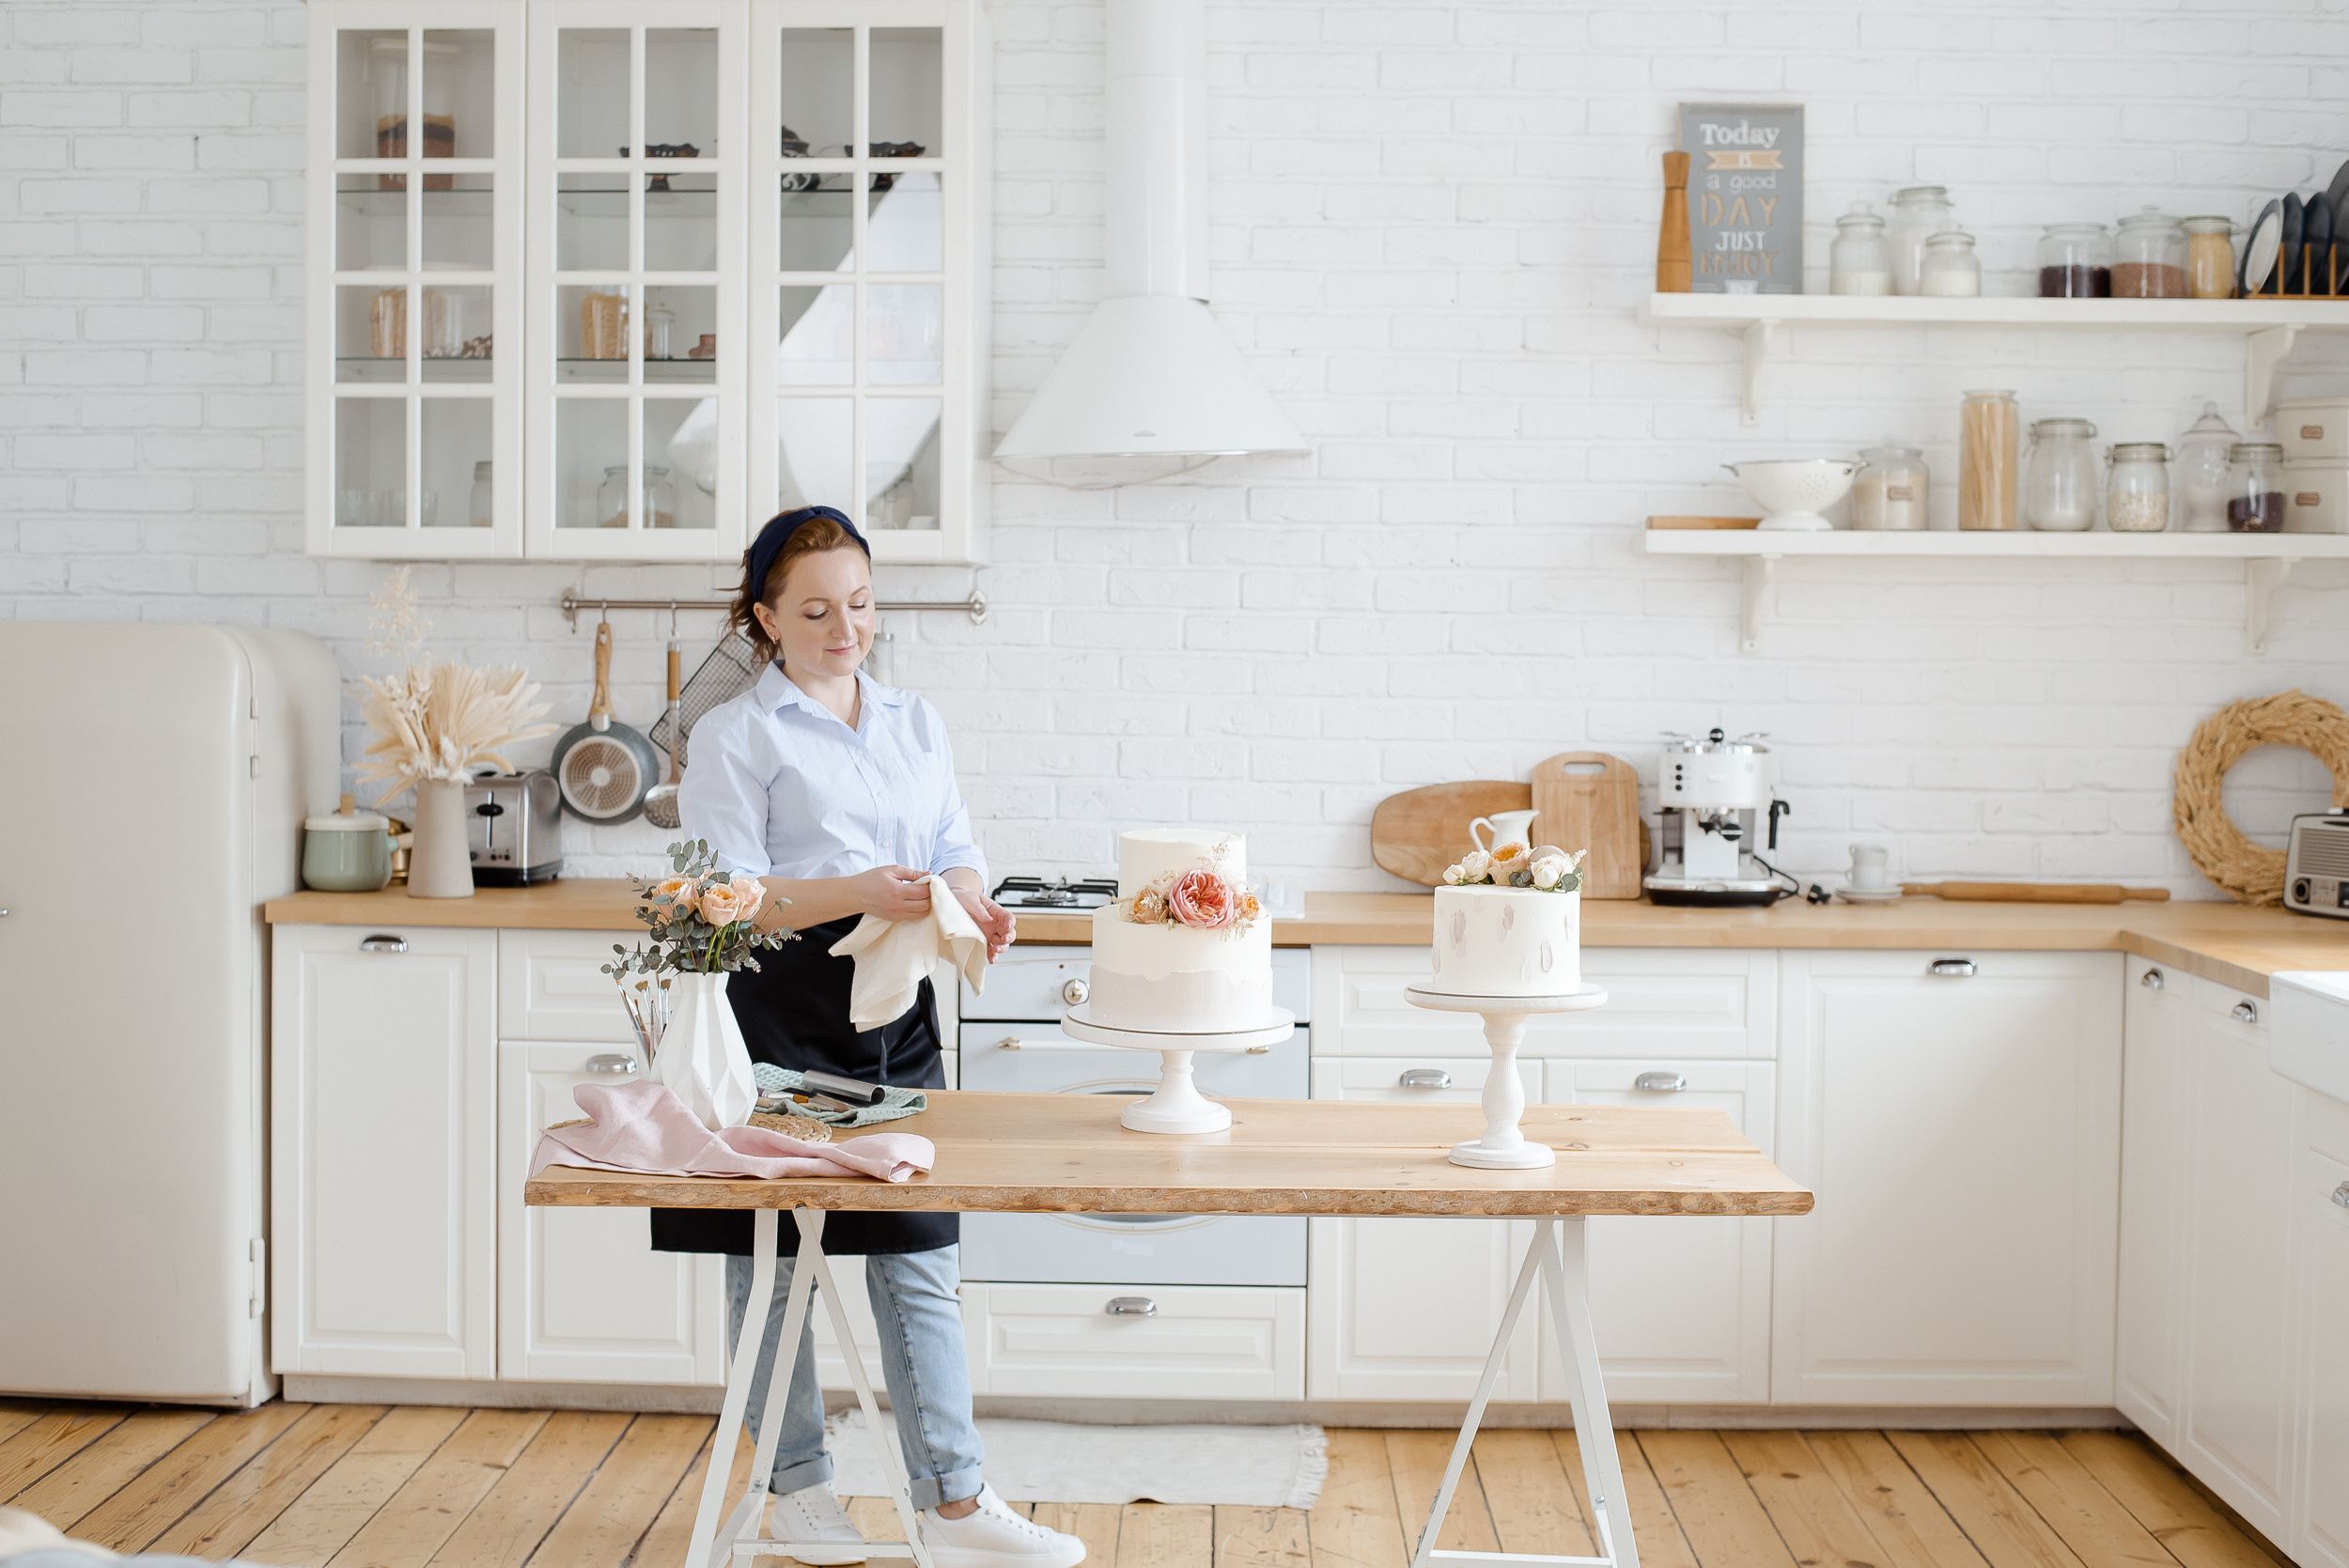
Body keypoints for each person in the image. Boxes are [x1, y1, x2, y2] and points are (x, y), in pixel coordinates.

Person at [668, 505, 1082, 1568]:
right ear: (764, 617)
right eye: (813, 609)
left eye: (858, 604)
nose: (843, 626)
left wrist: (970, 899)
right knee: (771, 1260)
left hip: (896, 1008)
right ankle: (798, 1493)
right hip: (777, 1008)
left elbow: (953, 842)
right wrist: (858, 888)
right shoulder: (736, 734)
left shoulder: (913, 719)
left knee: (919, 1250)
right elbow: (723, 897)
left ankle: (954, 1501)